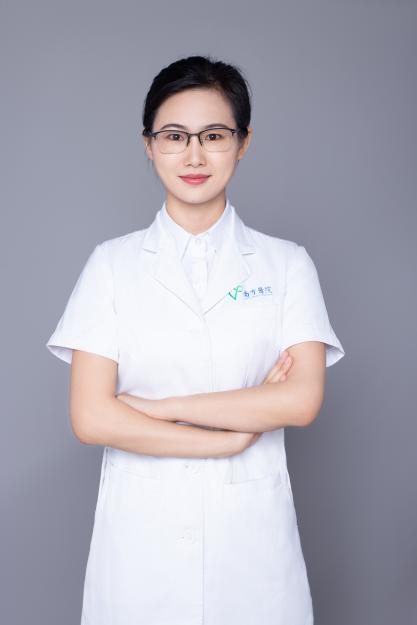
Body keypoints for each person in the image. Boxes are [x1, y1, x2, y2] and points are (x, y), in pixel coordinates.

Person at [46, 54, 345, 625]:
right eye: (174, 136)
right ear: (148, 144)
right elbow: (91, 417)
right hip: (141, 550)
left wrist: (161, 408)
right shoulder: (111, 265)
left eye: (214, 135)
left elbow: (301, 400)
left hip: (251, 551)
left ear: (243, 142)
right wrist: (228, 440)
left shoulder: (286, 265)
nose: (194, 156)